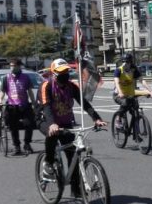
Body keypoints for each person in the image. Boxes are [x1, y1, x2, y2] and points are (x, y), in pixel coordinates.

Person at [39, 59, 106, 197]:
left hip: (65, 122)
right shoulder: (46, 86)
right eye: (61, 72)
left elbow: (85, 103)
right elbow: (46, 107)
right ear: (54, 73)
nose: (64, 74)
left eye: (66, 71)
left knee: (73, 155)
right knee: (52, 135)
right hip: (45, 119)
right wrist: (52, 124)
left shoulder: (71, 86)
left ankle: (76, 189)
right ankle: (48, 163)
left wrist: (97, 118)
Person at [0, 58, 35, 155]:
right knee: (13, 127)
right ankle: (17, 146)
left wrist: (34, 102)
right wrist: (0, 100)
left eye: (14, 66)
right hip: (12, 105)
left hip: (24, 105)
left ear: (19, 66)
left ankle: (27, 144)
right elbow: (3, 91)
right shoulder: (6, 78)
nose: (12, 68)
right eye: (11, 66)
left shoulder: (25, 77)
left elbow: (30, 91)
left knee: (29, 124)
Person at [113, 53, 152, 129]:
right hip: (118, 94)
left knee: (135, 111)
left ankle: (136, 133)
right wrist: (120, 92)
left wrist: (150, 91)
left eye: (127, 62)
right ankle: (118, 119)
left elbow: (142, 80)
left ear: (130, 63)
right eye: (124, 61)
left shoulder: (134, 69)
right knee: (125, 103)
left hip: (130, 93)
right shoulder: (119, 70)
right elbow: (116, 82)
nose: (125, 64)